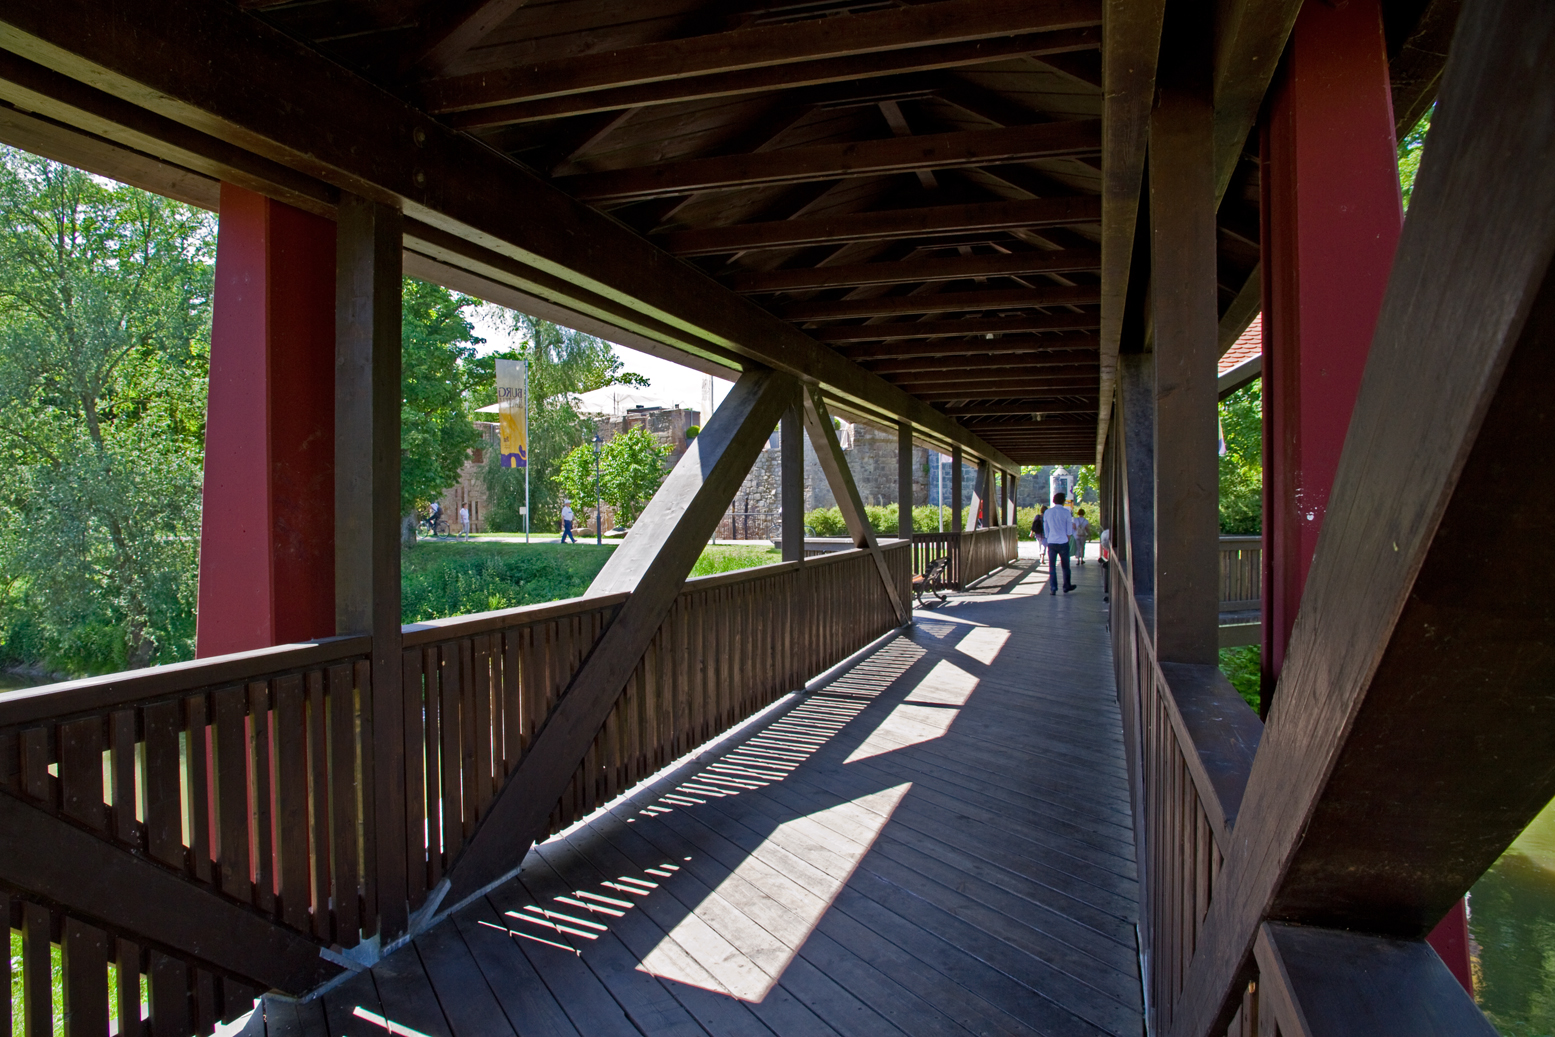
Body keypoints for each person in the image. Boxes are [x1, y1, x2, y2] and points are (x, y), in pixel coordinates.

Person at [1042, 492, 1076, 595]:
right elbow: (1069, 530)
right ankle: (1066, 586)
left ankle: (1053, 587)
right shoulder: (1066, 512)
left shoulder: (1048, 512)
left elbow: (1046, 527)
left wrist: (1048, 537)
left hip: (1051, 542)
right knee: (1065, 566)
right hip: (1063, 541)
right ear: (1063, 500)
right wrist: (1068, 539)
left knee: (1052, 566)